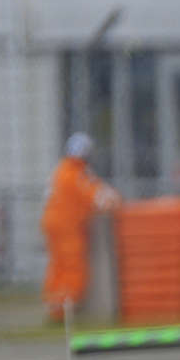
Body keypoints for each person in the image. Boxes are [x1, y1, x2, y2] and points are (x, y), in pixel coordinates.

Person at [42, 133, 121, 320]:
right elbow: (98, 197)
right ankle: (64, 310)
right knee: (73, 267)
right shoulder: (76, 174)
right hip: (67, 225)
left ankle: (53, 306)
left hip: (51, 222)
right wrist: (115, 200)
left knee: (58, 265)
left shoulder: (60, 170)